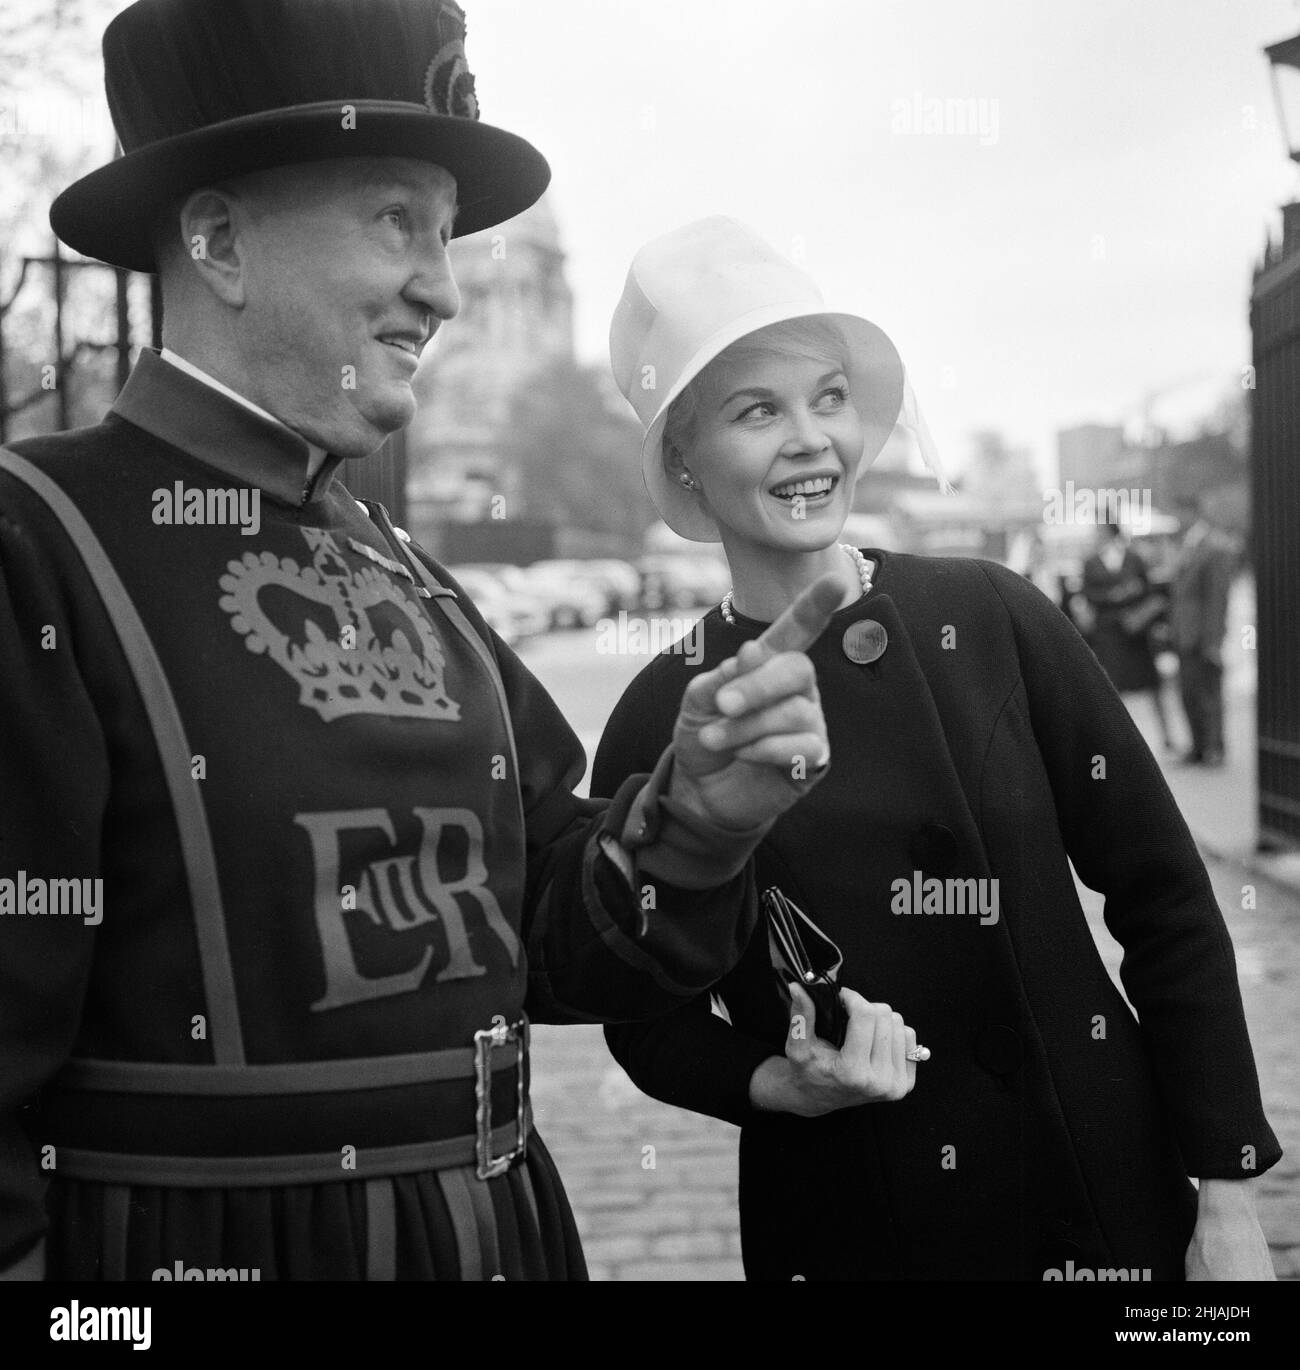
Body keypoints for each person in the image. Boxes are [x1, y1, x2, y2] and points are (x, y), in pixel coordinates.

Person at [0, 1, 837, 1281]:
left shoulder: (402, 560)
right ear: (217, 239)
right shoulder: (32, 540)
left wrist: (700, 817)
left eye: (445, 237)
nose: (444, 289)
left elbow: (553, 936)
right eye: (398, 221)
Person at [595, 217, 1281, 1282]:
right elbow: (643, 1010)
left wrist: (1227, 1192)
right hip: (849, 1208)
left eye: (827, 397)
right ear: (683, 451)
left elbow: (1164, 895)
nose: (810, 438)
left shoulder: (990, 614)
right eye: (756, 409)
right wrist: (780, 1081)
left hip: (1095, 1183)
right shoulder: (661, 710)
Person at [1080, 522, 1175, 752]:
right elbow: (1089, 594)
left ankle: (1167, 736)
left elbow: (1148, 589)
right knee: (1112, 688)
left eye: (1099, 532)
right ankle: (1117, 740)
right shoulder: (1090, 562)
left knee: (1152, 686)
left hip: (1135, 633)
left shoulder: (1134, 559)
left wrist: (1133, 597)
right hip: (1109, 635)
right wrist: (1117, 595)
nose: (1096, 536)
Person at [1169, 497, 1239, 767]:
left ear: (1191, 512)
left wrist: (1213, 641)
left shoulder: (1213, 547)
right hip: (1184, 634)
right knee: (1188, 693)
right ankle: (1198, 746)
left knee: (1208, 693)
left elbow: (1217, 598)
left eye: (1179, 513)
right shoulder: (1187, 545)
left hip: (1202, 635)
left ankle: (1214, 747)